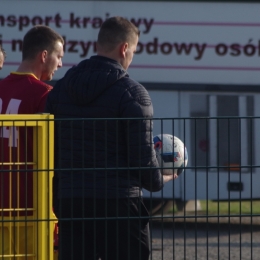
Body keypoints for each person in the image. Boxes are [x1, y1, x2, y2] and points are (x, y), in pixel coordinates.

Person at [45, 16, 177, 260]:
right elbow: (142, 158)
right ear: (124, 48)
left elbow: (50, 148)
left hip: (71, 200)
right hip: (118, 203)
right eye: (134, 51)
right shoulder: (133, 93)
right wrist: (161, 179)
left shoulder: (61, 89)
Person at [0, 25, 64, 258]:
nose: (60, 64)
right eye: (59, 57)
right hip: (32, 206)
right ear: (44, 56)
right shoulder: (44, 94)